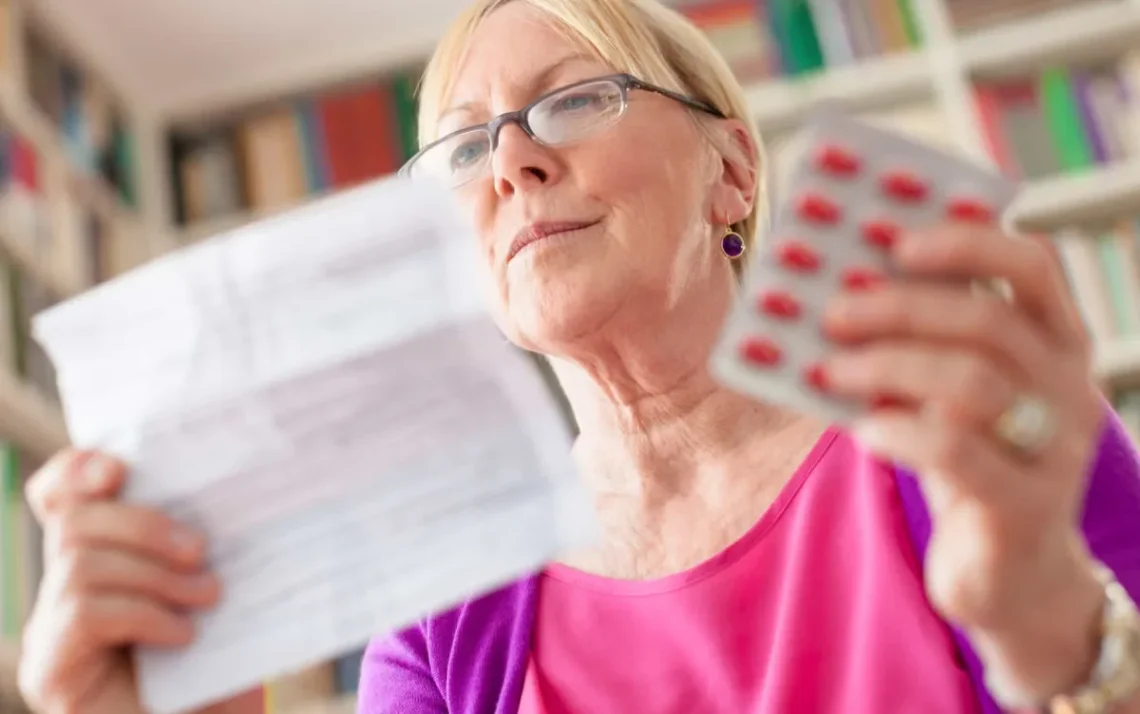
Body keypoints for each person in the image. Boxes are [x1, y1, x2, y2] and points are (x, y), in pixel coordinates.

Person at [14, 0, 1140, 712]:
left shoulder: (971, 443)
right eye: (462, 149)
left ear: (733, 172)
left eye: (574, 101)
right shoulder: (446, 601)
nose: (510, 163)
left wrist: (1053, 633)